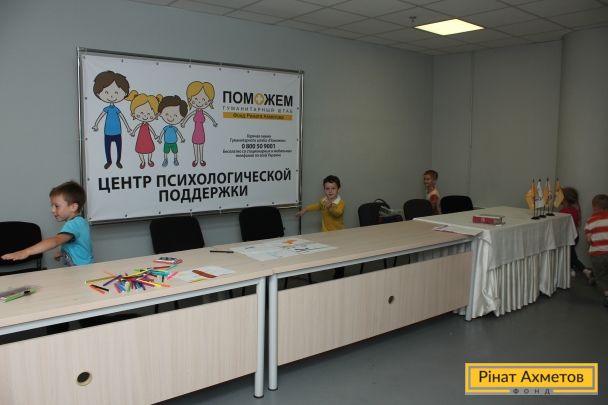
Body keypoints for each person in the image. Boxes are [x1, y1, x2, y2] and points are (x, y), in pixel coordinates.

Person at [1, 181, 93, 266]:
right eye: (52, 206)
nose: (52, 210)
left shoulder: (74, 224)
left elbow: (55, 241)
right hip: (81, 269)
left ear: (73, 207)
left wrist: (25, 252)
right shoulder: (80, 222)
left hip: (82, 271)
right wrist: (63, 253)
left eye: (56, 206)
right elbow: (79, 245)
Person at [297, 175, 345, 278]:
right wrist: (305, 210)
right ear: (324, 190)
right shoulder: (323, 200)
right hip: (325, 233)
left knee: (339, 256)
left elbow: (338, 213)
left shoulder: (340, 203)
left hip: (338, 234)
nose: (330, 191)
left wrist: (330, 208)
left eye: (333, 188)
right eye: (327, 189)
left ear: (339, 189)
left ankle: (339, 274)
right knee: (326, 252)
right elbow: (317, 206)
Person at [92, 71, 132, 170]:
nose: (111, 96)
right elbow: (100, 117)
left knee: (119, 148)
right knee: (107, 148)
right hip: (107, 132)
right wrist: (96, 124)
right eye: (106, 92)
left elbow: (123, 118)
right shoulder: (106, 109)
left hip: (117, 132)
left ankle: (118, 161)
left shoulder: (117, 109)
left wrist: (128, 128)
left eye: (116, 92)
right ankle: (108, 161)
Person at [182, 81, 218, 168]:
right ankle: (196, 160)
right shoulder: (194, 112)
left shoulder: (203, 112)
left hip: (201, 132)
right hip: (196, 132)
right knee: (195, 146)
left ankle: (201, 160)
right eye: (195, 99)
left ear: (209, 101)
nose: (199, 102)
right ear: (190, 99)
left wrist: (214, 122)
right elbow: (188, 116)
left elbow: (209, 116)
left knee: (201, 146)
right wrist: (183, 123)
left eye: (203, 100)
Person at [558, 187, 592, 279]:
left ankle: (585, 270)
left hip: (568, 237)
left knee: (571, 256)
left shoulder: (563, 212)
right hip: (575, 236)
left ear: (564, 199)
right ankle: (572, 269)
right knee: (570, 254)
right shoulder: (575, 210)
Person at [584, 194, 608, 307]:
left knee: (601, 275)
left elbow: (589, 239)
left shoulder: (590, 221)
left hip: (597, 254)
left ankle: (607, 294)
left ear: (594, 207)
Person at [126, 91, 160, 169]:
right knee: (140, 150)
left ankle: (149, 160)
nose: (145, 116)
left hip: (148, 138)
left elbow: (151, 130)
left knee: (150, 149)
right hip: (141, 139)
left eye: (149, 114)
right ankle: (142, 161)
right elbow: (136, 127)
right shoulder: (140, 124)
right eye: (141, 113)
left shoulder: (148, 125)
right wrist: (133, 132)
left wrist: (155, 135)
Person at [157, 95, 187, 167]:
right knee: (165, 152)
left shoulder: (174, 128)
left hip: (174, 142)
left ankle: (175, 159)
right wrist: (160, 139)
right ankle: (165, 159)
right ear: (161, 114)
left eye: (175, 115)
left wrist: (182, 138)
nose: (170, 117)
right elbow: (162, 133)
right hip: (166, 142)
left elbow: (179, 133)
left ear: (182, 118)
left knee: (175, 152)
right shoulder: (166, 128)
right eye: (167, 114)